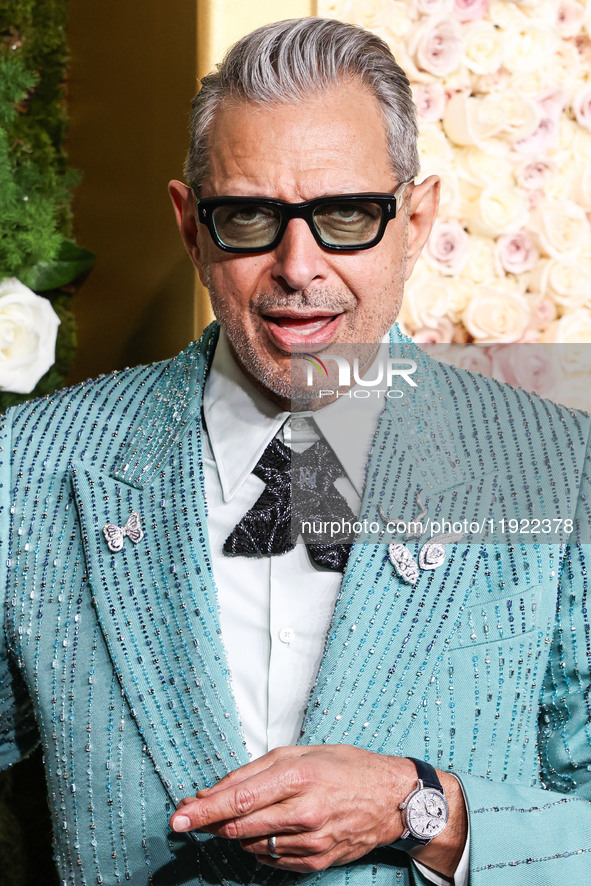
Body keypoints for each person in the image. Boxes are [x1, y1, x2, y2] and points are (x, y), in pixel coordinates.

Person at [0, 16, 590, 886]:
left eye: (346, 214)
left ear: (416, 218)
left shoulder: (554, 463)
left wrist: (422, 806)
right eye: (248, 216)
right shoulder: (29, 465)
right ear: (191, 227)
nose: (297, 266)